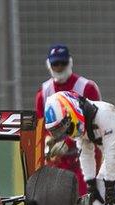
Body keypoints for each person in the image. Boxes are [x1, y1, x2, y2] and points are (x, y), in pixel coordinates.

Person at [35, 44, 102, 196]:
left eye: (62, 63)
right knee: (58, 199)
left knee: (86, 198)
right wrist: (47, 142)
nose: (59, 67)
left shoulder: (86, 88)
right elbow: (41, 125)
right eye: (55, 64)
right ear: (49, 65)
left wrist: (68, 142)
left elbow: (94, 123)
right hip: (58, 158)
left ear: (69, 62)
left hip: (85, 151)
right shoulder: (44, 93)